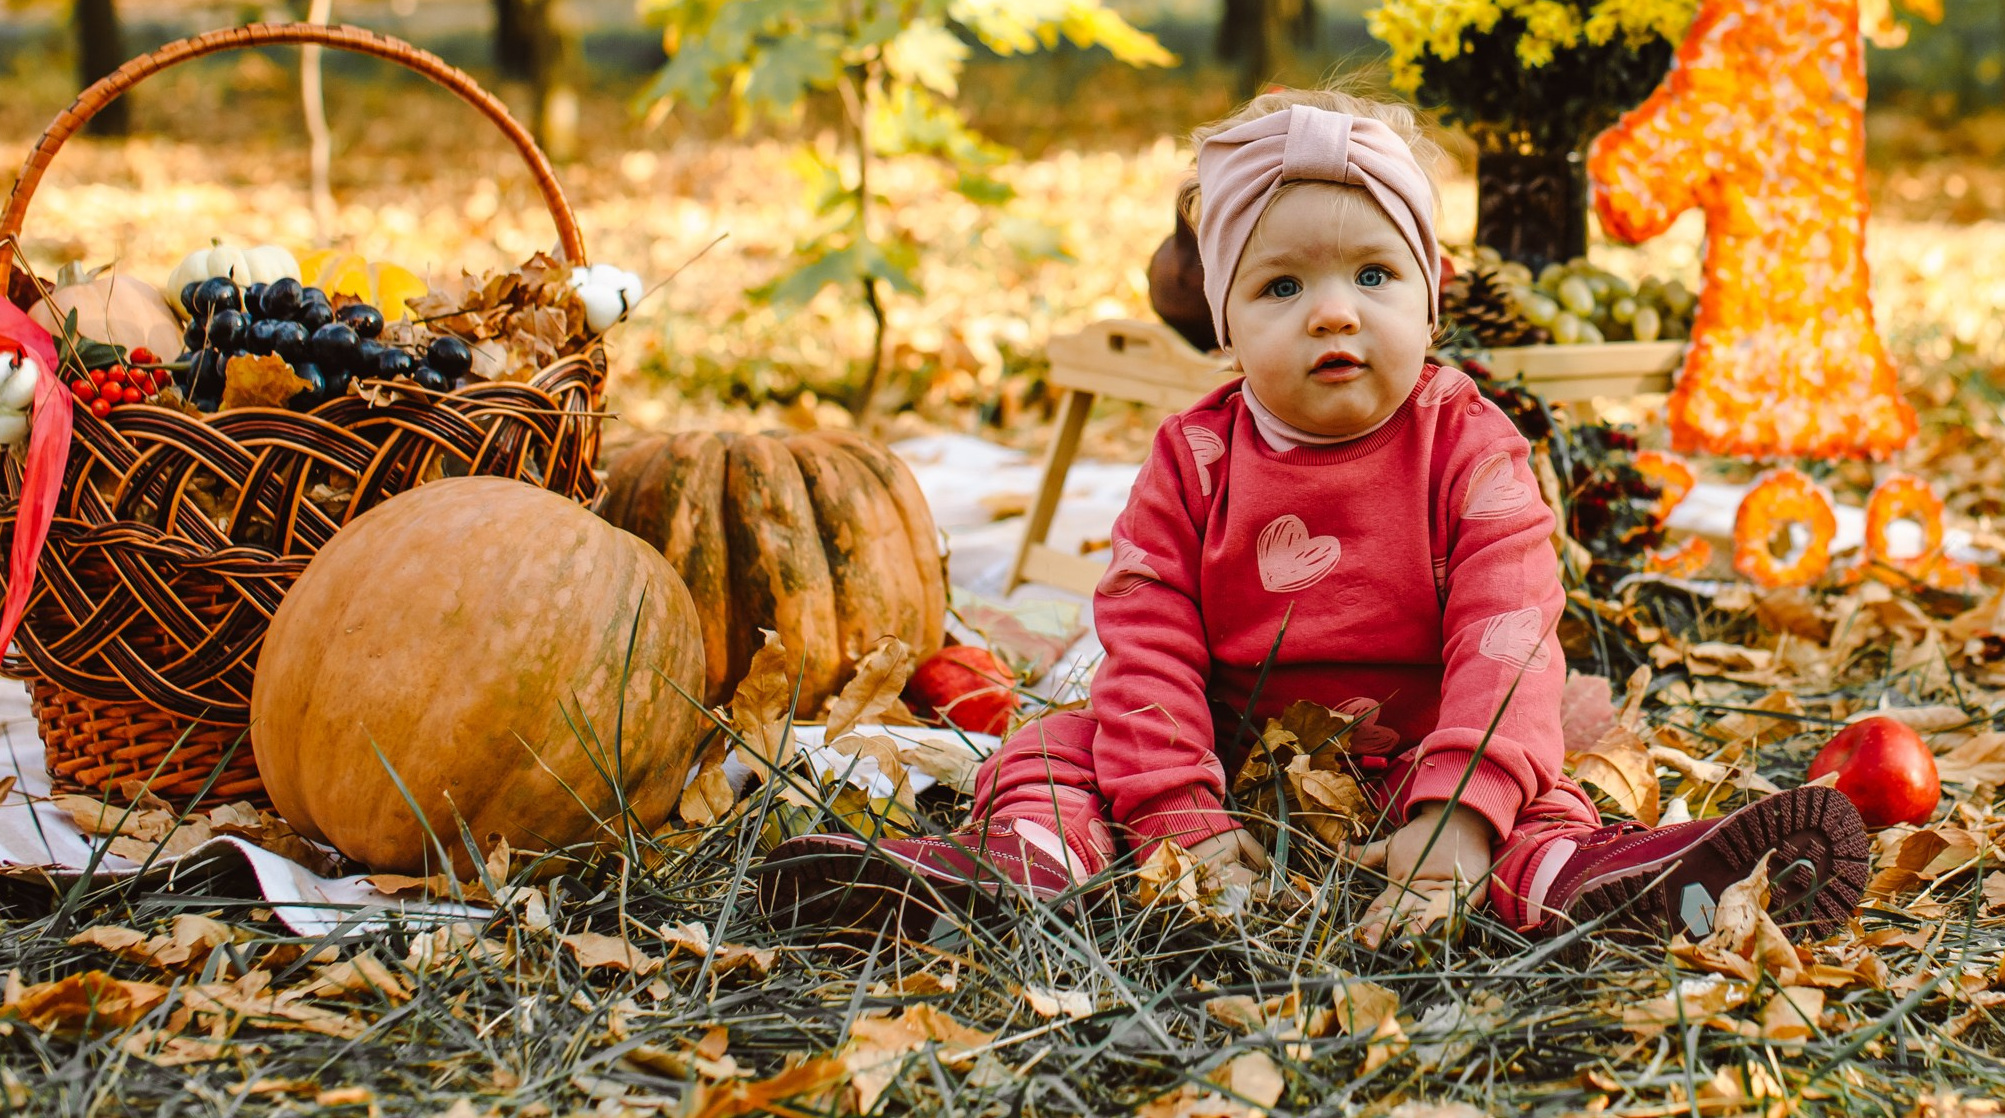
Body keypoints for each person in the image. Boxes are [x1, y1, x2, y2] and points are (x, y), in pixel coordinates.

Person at [761, 90, 1870, 944]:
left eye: (1375, 275)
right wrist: (1179, 816)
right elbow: (1148, 644)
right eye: (1282, 287)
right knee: (1057, 746)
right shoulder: (1194, 457)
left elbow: (1508, 634)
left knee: (1537, 798)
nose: (1334, 311)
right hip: (1224, 756)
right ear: (1227, 323)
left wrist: (1459, 815)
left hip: (1424, 757)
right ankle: (1022, 872)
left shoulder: (1468, 446)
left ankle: (1605, 886)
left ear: (1430, 299)